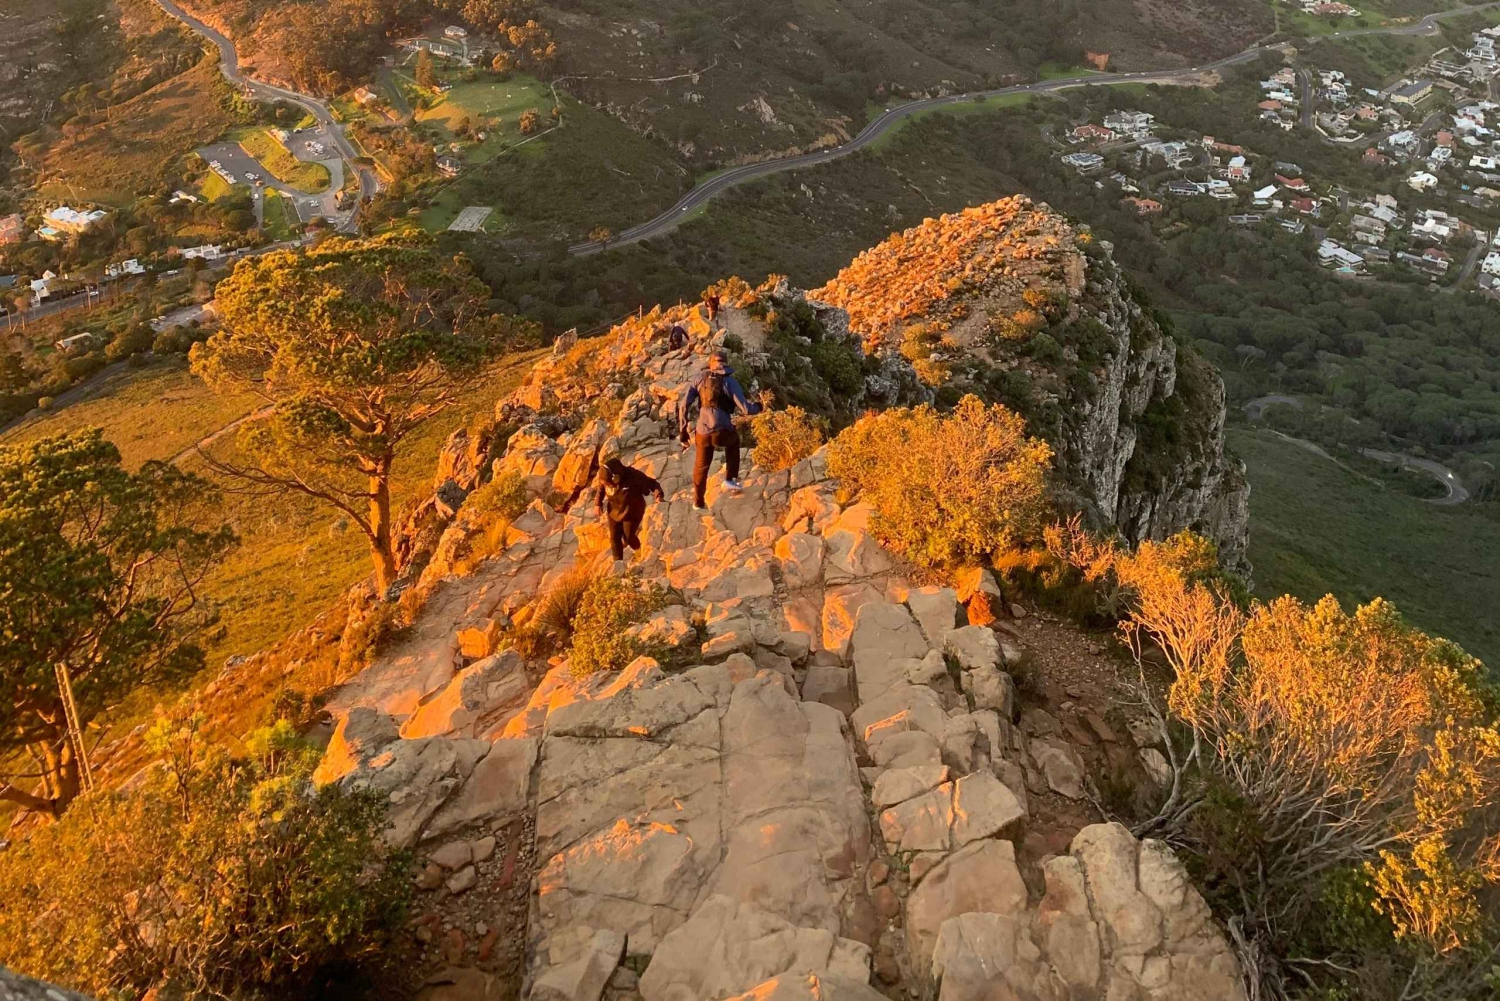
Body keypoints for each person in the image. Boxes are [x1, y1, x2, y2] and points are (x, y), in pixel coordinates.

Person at [677, 350, 761, 509]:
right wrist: (759, 407)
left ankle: (698, 502)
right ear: (726, 364)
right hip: (722, 431)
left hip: (702, 432)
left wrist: (683, 431)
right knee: (734, 442)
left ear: (710, 364)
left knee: (701, 467)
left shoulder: (699, 379)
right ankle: (730, 481)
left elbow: (683, 406)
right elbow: (746, 409)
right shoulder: (729, 382)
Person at [593, 457, 665, 562]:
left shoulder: (633, 475)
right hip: (613, 510)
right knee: (614, 539)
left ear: (616, 478)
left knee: (628, 538)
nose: (607, 486)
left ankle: (639, 551)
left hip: (632, 511)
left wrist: (658, 495)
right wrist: (597, 503)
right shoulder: (605, 478)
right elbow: (601, 488)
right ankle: (618, 564)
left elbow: (652, 483)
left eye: (608, 484)